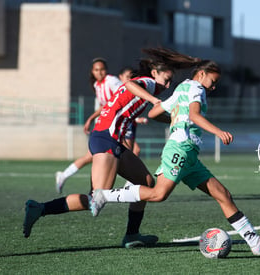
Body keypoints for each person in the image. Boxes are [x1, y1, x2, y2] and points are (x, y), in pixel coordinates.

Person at [90, 59, 260, 256]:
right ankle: (104, 195)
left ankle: (255, 242)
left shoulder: (183, 88)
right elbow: (195, 115)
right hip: (180, 149)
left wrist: (175, 118)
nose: (213, 87)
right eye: (213, 82)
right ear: (202, 74)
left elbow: (154, 112)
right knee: (158, 194)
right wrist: (218, 131)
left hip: (190, 155)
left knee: (222, 194)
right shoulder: (197, 88)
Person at [23, 48, 199, 248]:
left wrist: (173, 120)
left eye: (170, 82)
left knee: (146, 181)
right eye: (165, 80)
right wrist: (153, 100)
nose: (166, 85)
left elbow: (153, 114)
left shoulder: (149, 87)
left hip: (110, 140)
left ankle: (132, 235)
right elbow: (130, 84)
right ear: (153, 74)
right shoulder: (147, 84)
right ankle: (39, 208)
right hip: (106, 138)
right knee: (96, 198)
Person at [55, 64, 137, 194]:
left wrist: (91, 118)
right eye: (96, 70)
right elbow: (112, 104)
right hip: (112, 124)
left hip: (115, 121)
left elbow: (119, 100)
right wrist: (91, 118)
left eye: (102, 69)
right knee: (129, 151)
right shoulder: (98, 85)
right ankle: (126, 187)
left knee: (95, 156)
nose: (100, 72)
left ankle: (65, 176)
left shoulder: (110, 81)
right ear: (92, 72)